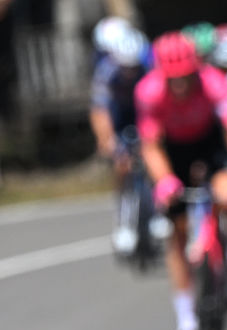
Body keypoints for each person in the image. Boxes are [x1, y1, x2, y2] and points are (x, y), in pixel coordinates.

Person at [134, 31, 227, 330]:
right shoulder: (148, 92)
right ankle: (186, 322)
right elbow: (150, 145)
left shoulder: (215, 83)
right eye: (172, 79)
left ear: (196, 70)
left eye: (186, 77)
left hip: (210, 143)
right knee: (175, 230)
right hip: (173, 152)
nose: (180, 85)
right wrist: (163, 181)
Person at [89, 23, 151, 254]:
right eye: (126, 68)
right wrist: (107, 140)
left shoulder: (148, 67)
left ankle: (156, 209)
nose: (130, 72)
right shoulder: (106, 72)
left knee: (153, 160)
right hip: (118, 116)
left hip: (142, 113)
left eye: (133, 67)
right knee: (122, 165)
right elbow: (99, 110)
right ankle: (123, 220)